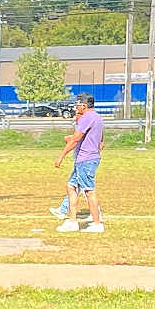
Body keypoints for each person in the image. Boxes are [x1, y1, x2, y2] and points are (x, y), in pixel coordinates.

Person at [53, 93, 105, 233]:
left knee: (89, 191)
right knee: (71, 187)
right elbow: (101, 141)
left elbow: (75, 139)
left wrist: (61, 156)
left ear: (84, 105)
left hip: (85, 160)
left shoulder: (87, 117)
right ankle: (72, 222)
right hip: (89, 158)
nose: (76, 107)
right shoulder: (98, 118)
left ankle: (97, 223)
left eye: (78, 105)